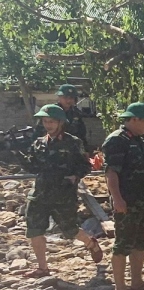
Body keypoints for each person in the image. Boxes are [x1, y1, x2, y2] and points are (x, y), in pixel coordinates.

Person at [22, 104, 104, 277]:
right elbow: (32, 165)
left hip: (63, 195)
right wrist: (17, 152)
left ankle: (91, 243)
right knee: (34, 229)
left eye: (51, 121)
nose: (48, 125)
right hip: (40, 193)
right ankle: (42, 267)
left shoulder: (73, 142)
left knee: (70, 230)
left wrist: (75, 176)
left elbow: (84, 165)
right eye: (45, 121)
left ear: (60, 122)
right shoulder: (39, 143)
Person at [101, 102, 144, 290]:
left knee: (139, 242)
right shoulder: (117, 140)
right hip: (126, 201)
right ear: (133, 119)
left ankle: (137, 283)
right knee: (123, 244)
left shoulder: (137, 140)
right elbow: (111, 172)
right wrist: (117, 199)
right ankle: (120, 289)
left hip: (140, 200)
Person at [33, 84, 89, 148]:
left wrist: (85, 149)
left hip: (72, 148)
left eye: (71, 98)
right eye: (65, 98)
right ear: (59, 97)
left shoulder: (77, 113)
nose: (68, 101)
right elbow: (37, 133)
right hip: (50, 147)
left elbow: (82, 134)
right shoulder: (50, 111)